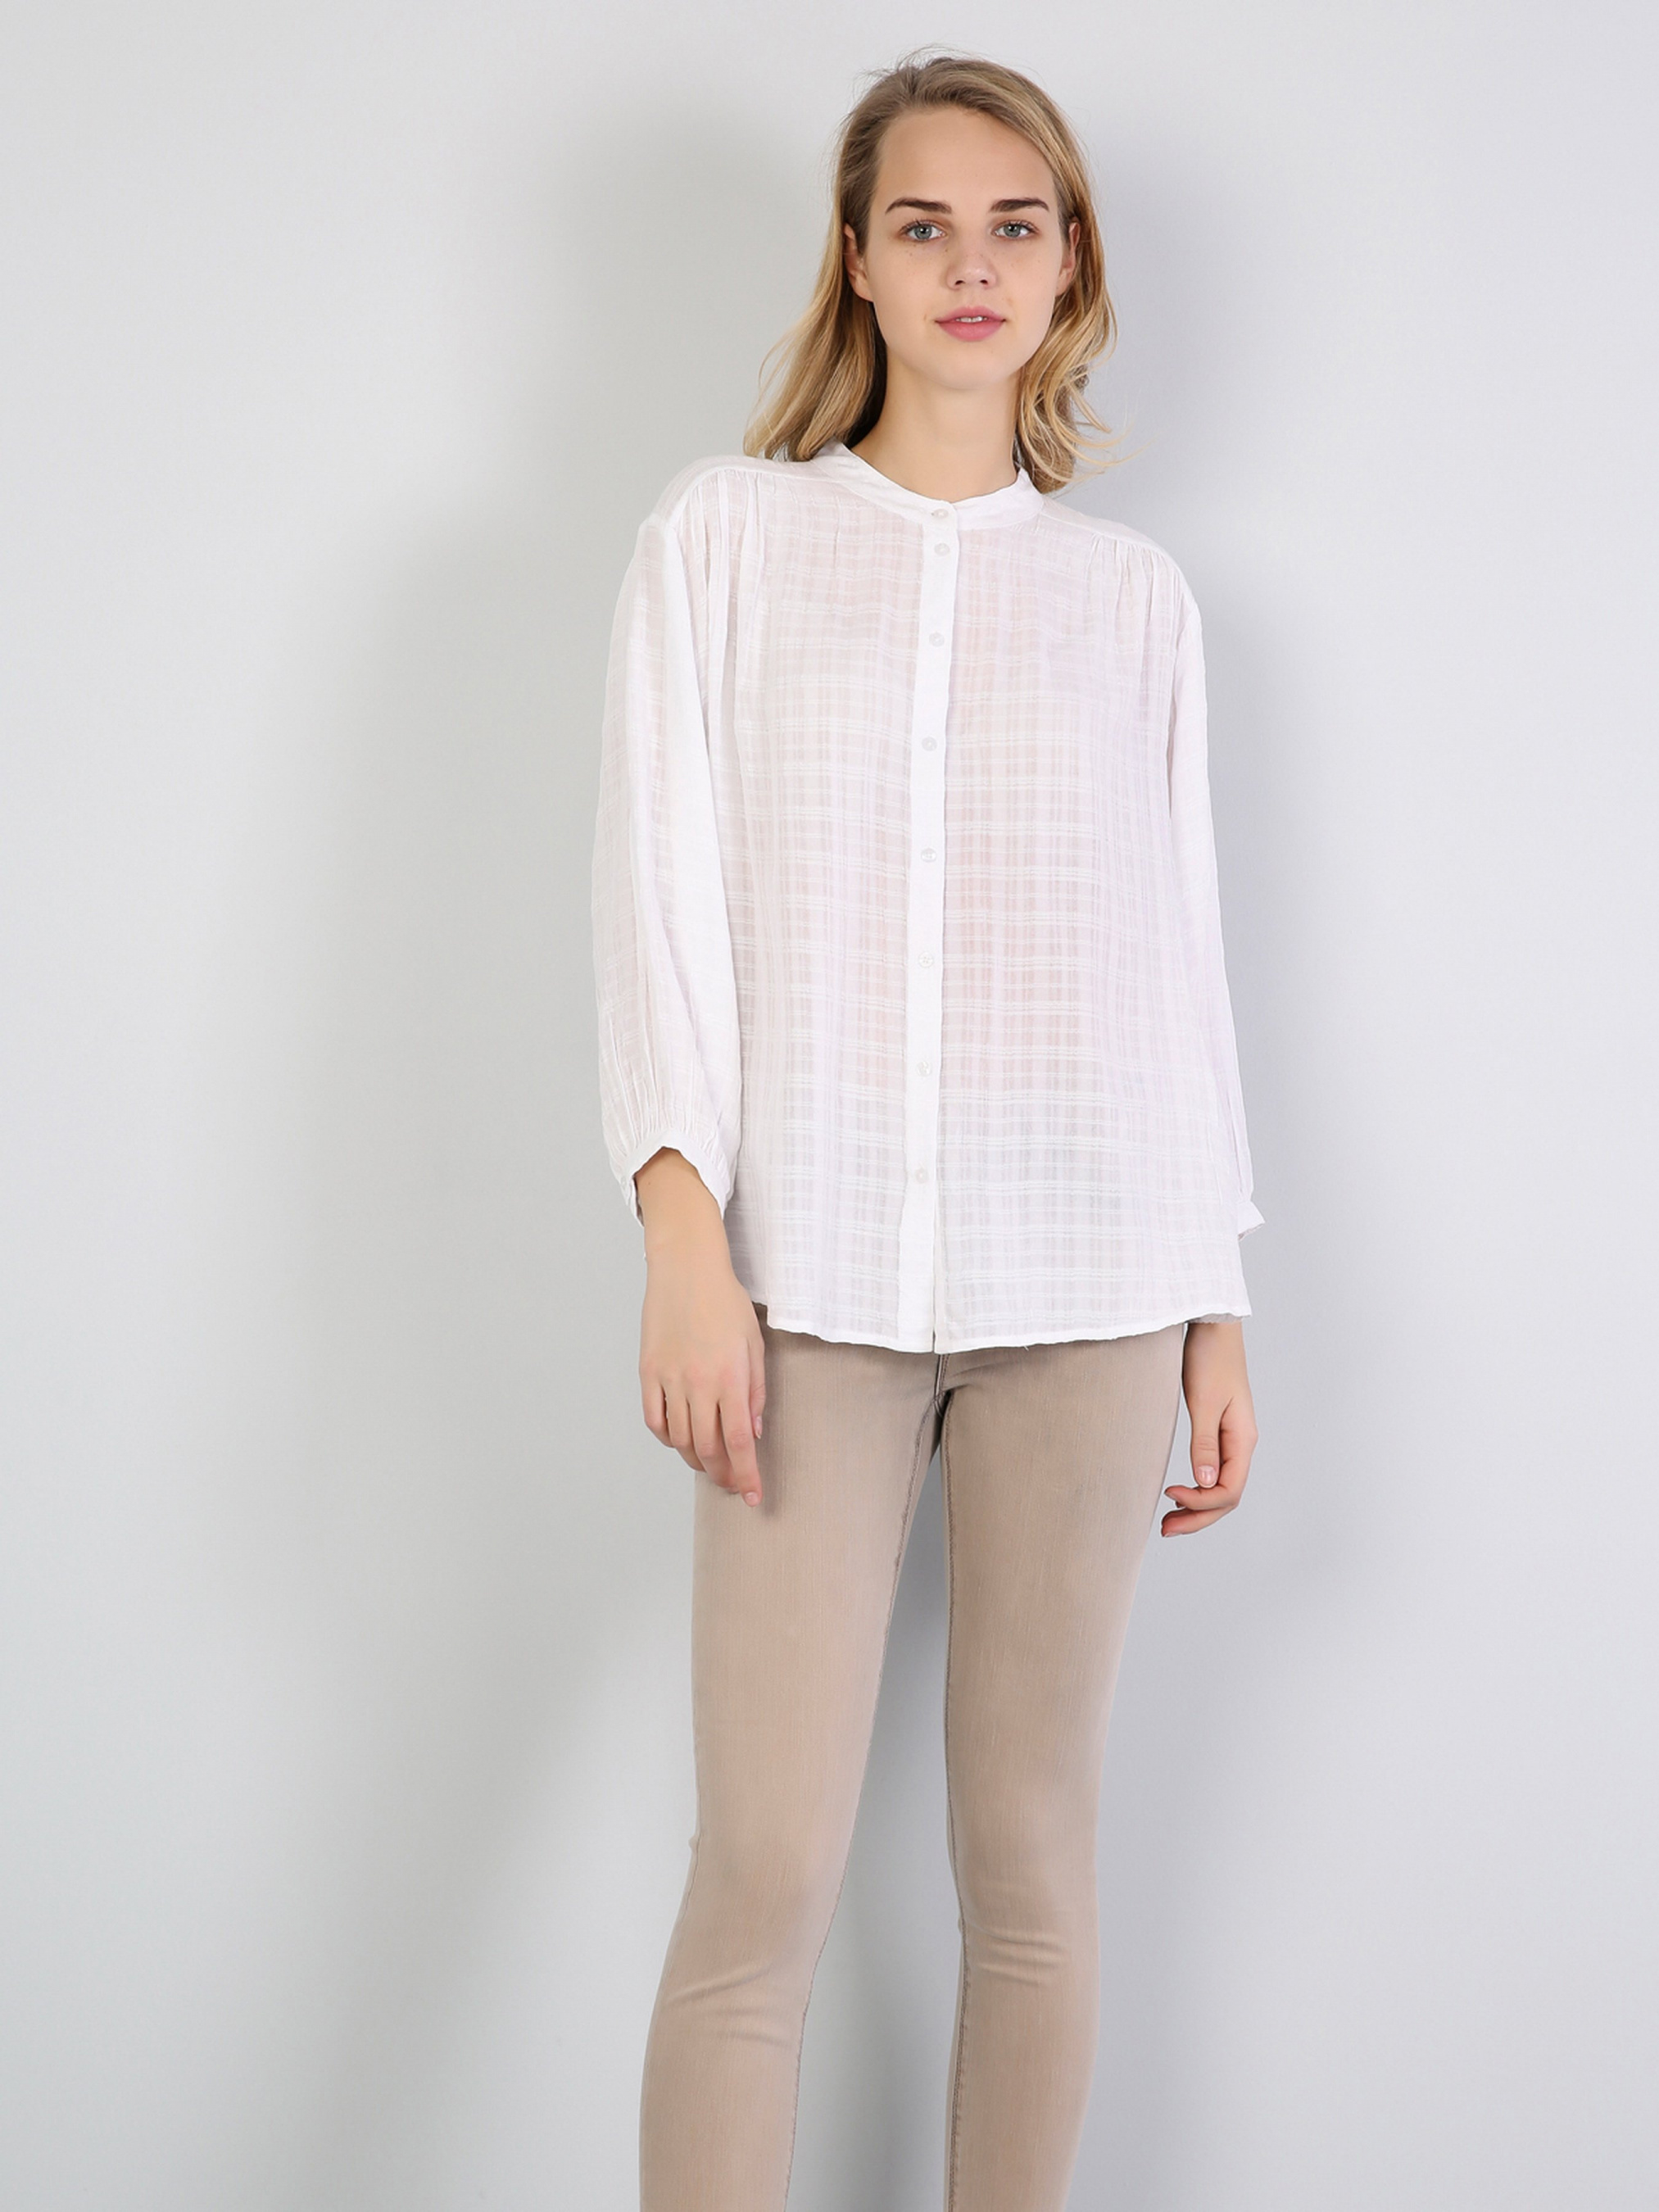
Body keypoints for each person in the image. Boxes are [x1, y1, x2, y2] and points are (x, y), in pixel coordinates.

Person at [590, 48, 1262, 2212]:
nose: (971, 264)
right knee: (763, 1869)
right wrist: (681, 1234)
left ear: (1068, 268)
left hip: (1091, 1281)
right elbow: (656, 899)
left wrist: (1212, 1298)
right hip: (804, 1288)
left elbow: (1174, 963)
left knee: (1031, 1859)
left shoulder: (1132, 602)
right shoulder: (725, 537)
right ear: (859, 264)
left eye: (1014, 225)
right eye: (923, 224)